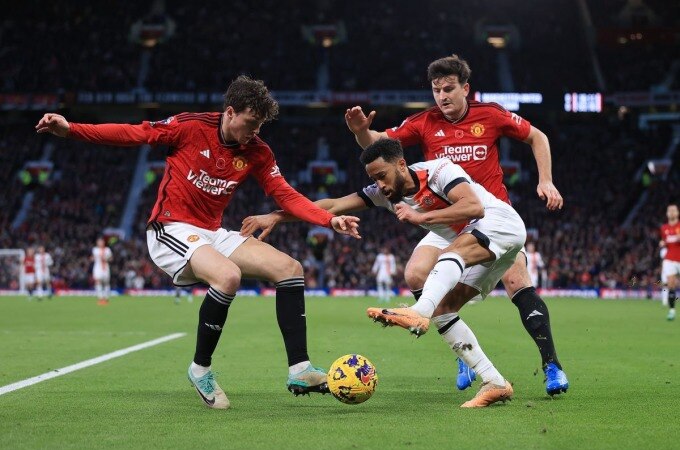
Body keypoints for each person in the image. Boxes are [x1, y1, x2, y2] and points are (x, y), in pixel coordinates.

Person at [35, 75, 361, 410]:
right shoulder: (189, 127)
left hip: (212, 232)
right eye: (251, 123)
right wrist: (71, 129)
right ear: (230, 112)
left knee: (289, 268)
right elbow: (134, 134)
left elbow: (286, 195)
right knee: (228, 276)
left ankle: (300, 369)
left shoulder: (257, 152)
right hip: (170, 228)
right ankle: (200, 368)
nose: (256, 132)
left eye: (261, 125)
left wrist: (328, 219)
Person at [343, 54, 568, 395]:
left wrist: (546, 180)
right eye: (436, 90)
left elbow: (537, 136)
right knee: (414, 273)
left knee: (517, 279)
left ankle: (552, 364)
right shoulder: (423, 122)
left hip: (488, 215)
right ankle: (458, 345)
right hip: (446, 219)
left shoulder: (490, 115)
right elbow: (379, 150)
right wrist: (361, 132)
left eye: (449, 89)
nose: (442, 96)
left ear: (466, 88)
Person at [243, 138, 524, 407]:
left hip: (500, 222)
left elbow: (474, 207)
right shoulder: (382, 194)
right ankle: (494, 381)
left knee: (448, 256)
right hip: (482, 241)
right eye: (374, 179)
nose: (379, 184)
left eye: (382, 175)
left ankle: (419, 311)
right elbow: (331, 205)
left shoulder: (439, 170)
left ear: (401, 165)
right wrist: (277, 216)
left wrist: (421, 217)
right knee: (444, 310)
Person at [659, 203, 679, 321]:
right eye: (669, 211)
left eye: (673, 210)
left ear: (677, 213)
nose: (671, 212)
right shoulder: (664, 228)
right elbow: (664, 241)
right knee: (671, 285)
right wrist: (662, 243)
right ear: (667, 214)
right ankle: (672, 311)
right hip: (669, 259)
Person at [92, 238, 113, 306]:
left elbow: (111, 258)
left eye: (101, 242)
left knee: (106, 283)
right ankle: (100, 298)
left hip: (105, 267)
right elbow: (93, 257)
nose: (100, 243)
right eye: (99, 242)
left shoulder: (107, 250)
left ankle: (106, 298)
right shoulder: (95, 250)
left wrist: (107, 259)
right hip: (98, 268)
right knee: (98, 281)